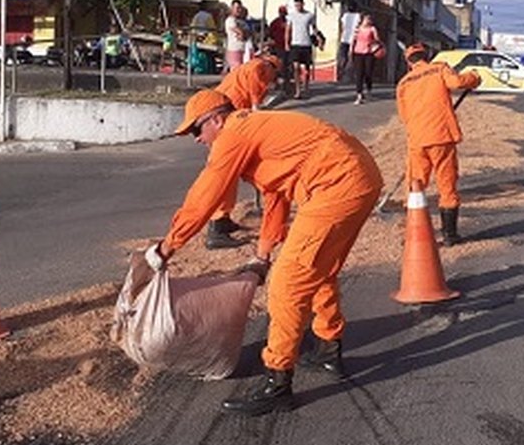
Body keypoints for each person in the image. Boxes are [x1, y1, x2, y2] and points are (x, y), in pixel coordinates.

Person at [144, 90, 383, 416]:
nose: (196, 139)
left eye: (196, 130)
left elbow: (206, 194)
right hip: (355, 176)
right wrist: (262, 255)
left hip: (337, 182)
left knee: (287, 283)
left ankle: (277, 382)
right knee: (317, 269)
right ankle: (328, 348)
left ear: (216, 119)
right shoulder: (255, 129)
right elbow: (276, 197)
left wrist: (167, 247)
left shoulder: (234, 133)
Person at [395, 42, 482, 246]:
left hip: (417, 139)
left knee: (416, 185)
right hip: (441, 136)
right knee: (446, 183)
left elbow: (404, 115)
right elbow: (457, 83)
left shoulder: (404, 83)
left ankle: (414, 233)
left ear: (409, 62)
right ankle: (449, 235)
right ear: (427, 56)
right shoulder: (439, 68)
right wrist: (474, 78)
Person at [198, 54, 284, 249]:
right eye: (274, 74)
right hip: (221, 122)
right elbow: (255, 104)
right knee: (225, 172)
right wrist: (256, 108)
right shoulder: (258, 66)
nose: (272, 79)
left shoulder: (256, 71)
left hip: (228, 119)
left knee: (232, 172)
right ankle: (217, 225)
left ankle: (223, 219)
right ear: (271, 66)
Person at [285, 0, 316, 99]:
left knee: (307, 70)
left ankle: (306, 88)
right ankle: (298, 91)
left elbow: (314, 29)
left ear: (303, 4)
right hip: (295, 44)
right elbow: (288, 30)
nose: (298, 7)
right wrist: (286, 43)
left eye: (300, 5)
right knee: (296, 68)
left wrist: (318, 39)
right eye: (296, 5)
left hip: (306, 44)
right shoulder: (291, 16)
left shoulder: (310, 15)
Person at [351, 13, 381, 105]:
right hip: (358, 53)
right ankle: (359, 95)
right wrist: (350, 50)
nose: (368, 21)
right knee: (359, 74)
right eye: (367, 19)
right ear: (362, 20)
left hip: (369, 53)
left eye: (370, 19)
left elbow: (377, 40)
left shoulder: (372, 29)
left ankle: (369, 90)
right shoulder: (357, 29)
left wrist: (373, 42)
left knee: (368, 73)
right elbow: (353, 40)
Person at [268, 5, 291, 93]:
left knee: (286, 67)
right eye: (281, 12)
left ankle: (286, 85)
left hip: (287, 47)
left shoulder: (289, 22)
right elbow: (270, 34)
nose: (283, 14)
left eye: (284, 12)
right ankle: (277, 84)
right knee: (278, 66)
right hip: (277, 47)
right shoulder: (274, 22)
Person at [224, 0, 249, 72]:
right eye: (237, 8)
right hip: (234, 49)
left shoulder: (241, 21)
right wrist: (242, 33)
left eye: (240, 8)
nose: (239, 10)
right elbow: (241, 32)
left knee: (241, 70)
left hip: (242, 49)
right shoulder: (230, 20)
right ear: (232, 8)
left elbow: (248, 33)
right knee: (236, 71)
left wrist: (243, 34)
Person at [338, 6, 361, 82]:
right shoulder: (358, 15)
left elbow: (342, 27)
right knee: (352, 57)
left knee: (343, 57)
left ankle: (342, 72)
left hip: (344, 38)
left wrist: (340, 36)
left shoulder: (345, 15)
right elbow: (359, 26)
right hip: (354, 39)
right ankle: (350, 74)